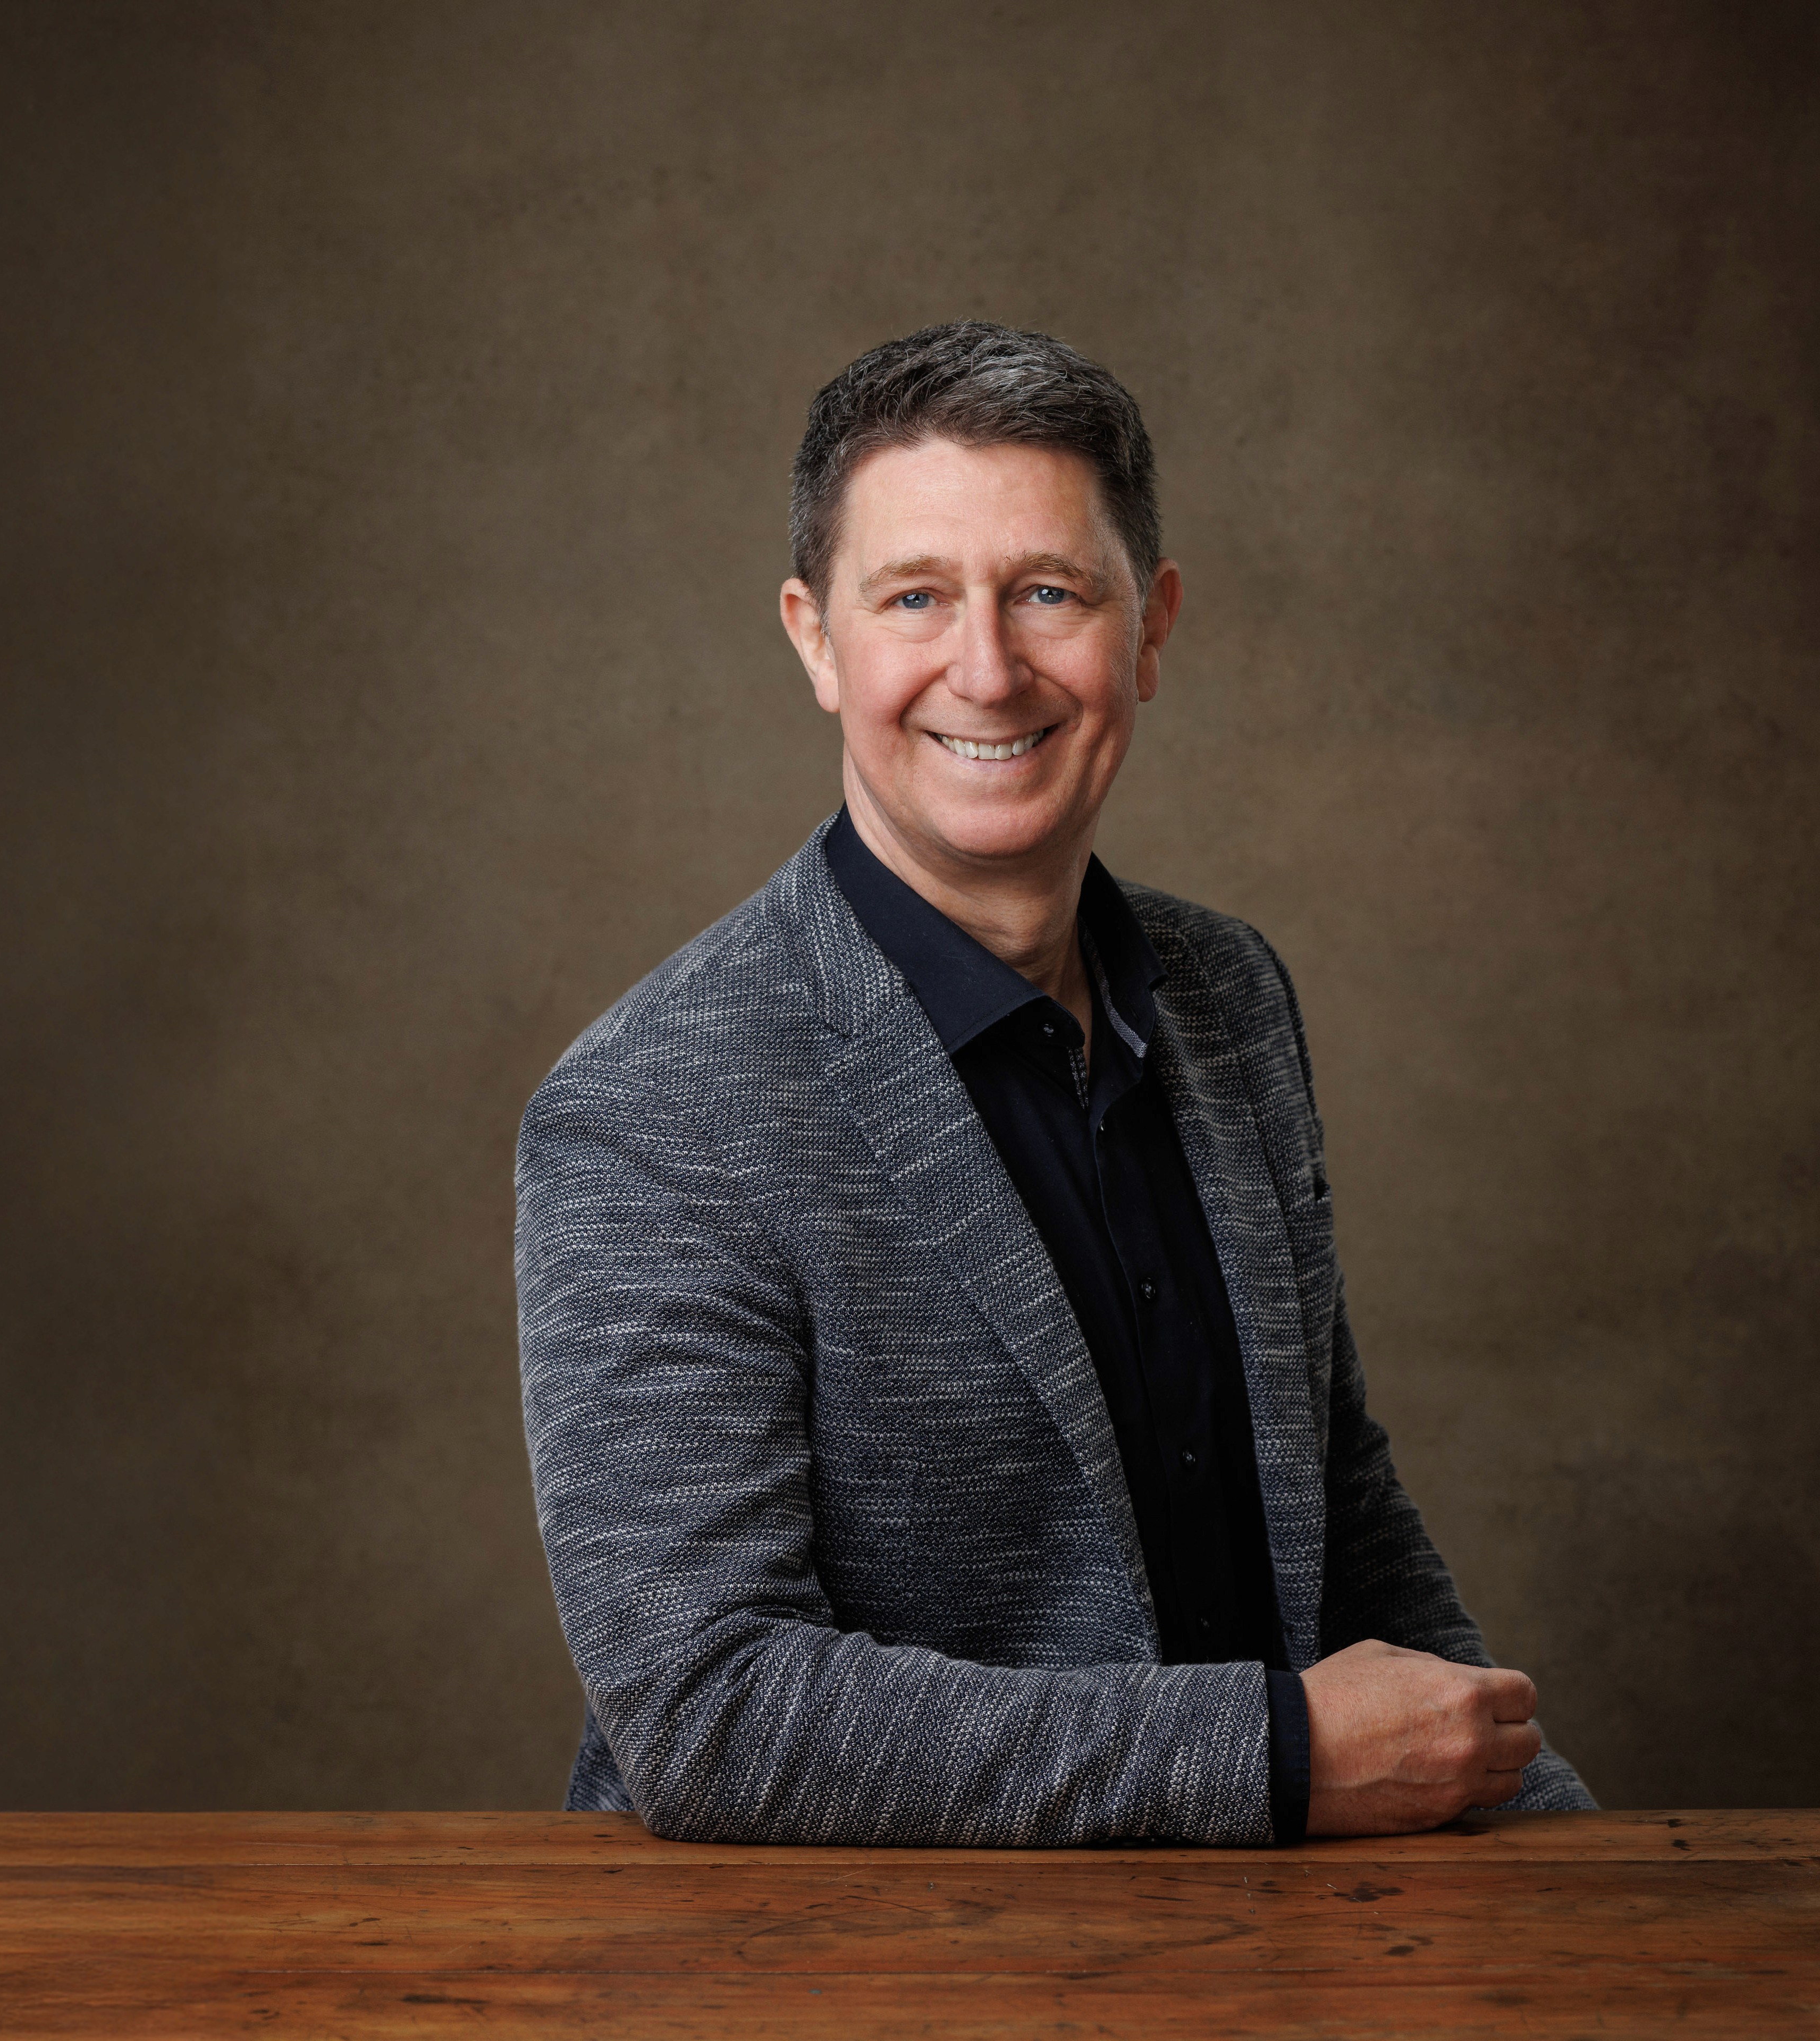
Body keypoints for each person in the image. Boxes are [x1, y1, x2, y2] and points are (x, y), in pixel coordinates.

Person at [514, 322, 1592, 1845]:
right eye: (914, 597)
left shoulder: (1229, 997)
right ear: (815, 640)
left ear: (1148, 627)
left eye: (1048, 593)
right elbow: (711, 1713)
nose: (987, 669)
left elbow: (1336, 1514)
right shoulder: (651, 1107)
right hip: (845, 1955)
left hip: (1286, 1934)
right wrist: (1276, 1752)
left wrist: (1547, 1836)